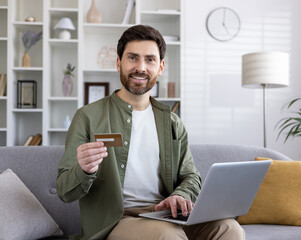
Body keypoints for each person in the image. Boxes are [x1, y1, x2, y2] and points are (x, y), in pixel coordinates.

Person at [57, 24, 245, 240]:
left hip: (166, 215)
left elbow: (191, 176)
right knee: (167, 235)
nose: (141, 67)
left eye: (150, 59)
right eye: (133, 58)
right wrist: (85, 170)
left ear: (161, 67)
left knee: (229, 228)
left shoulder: (172, 122)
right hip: (117, 221)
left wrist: (180, 195)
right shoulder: (87, 117)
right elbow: (64, 190)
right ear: (118, 63)